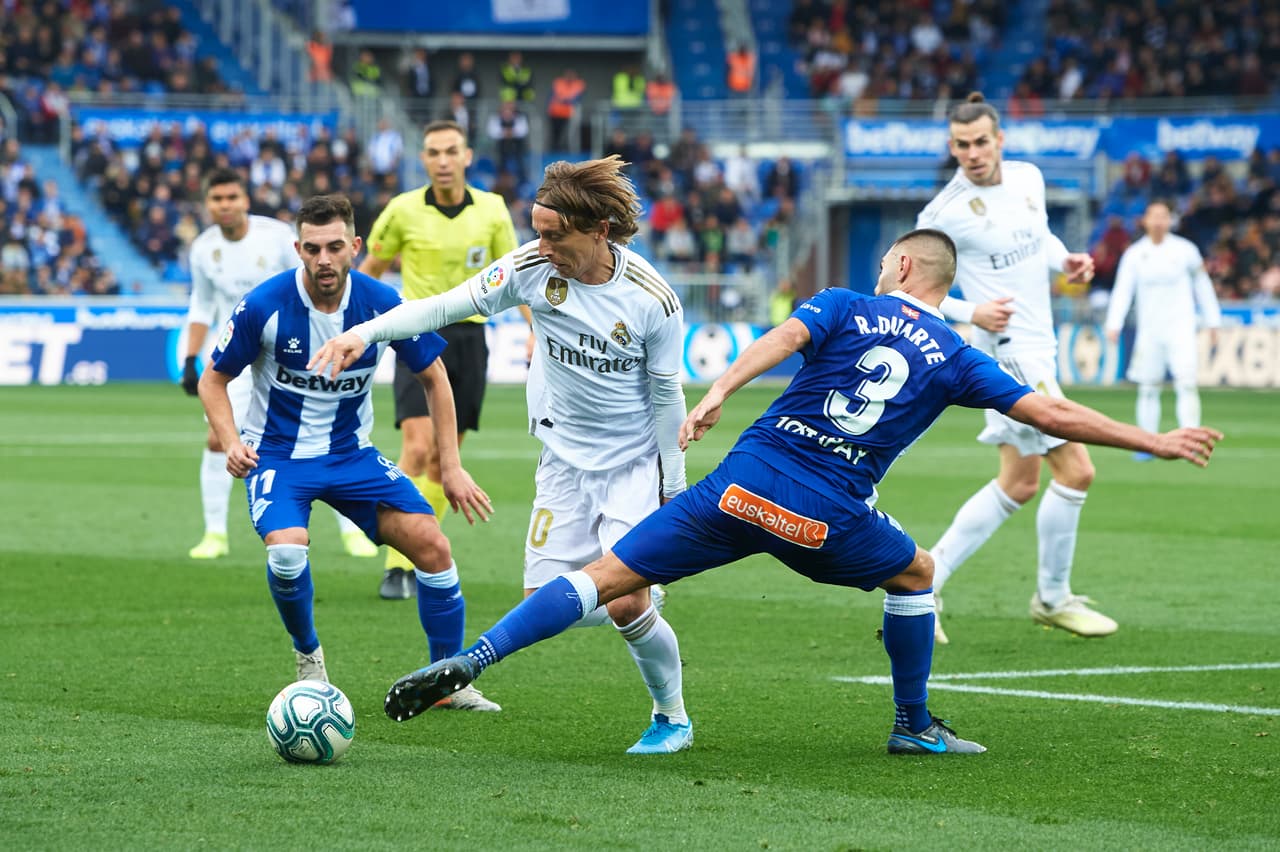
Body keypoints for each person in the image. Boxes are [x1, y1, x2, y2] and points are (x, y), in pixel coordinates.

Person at [367, 229, 1219, 756]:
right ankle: (914, 724)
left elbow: (777, 340)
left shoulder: (845, 303)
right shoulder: (959, 356)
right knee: (917, 573)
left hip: (739, 484)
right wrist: (1155, 440)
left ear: (901, 265)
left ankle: (476, 658)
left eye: (884, 260)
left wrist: (716, 391)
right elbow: (1050, 412)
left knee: (605, 576)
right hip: (823, 516)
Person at [310, 155, 694, 754]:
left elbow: (668, 399)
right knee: (543, 604)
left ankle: (671, 717)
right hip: (562, 461)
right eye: (537, 231)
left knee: (627, 605)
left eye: (555, 235)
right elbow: (442, 306)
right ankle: (627, 588)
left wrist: (675, 488)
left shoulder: (652, 300)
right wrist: (365, 332)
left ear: (600, 230)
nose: (542, 246)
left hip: (633, 465)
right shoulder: (530, 268)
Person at [197, 194, 496, 707]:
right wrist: (230, 442)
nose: (324, 259)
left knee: (433, 547)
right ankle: (309, 658)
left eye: (335, 247)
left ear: (355, 247)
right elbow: (213, 379)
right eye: (312, 249)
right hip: (280, 457)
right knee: (287, 552)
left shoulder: (381, 303)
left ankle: (447, 683)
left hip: (352, 456)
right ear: (298, 249)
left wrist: (451, 466)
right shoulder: (264, 305)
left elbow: (434, 376)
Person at [916, 92, 1110, 644]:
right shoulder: (943, 214)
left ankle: (925, 585)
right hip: (1009, 353)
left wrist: (1066, 260)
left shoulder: (1028, 177)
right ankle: (1052, 598)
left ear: (999, 140)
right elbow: (905, 285)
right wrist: (970, 311)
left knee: (1019, 482)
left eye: (981, 142)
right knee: (1077, 471)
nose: (972, 153)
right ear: (952, 146)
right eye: (962, 145)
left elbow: (1039, 237)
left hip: (1039, 343)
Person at [358, 120, 521, 600]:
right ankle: (396, 567)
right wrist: (351, 328)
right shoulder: (401, 210)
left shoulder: (492, 210)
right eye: (434, 152)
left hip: (471, 339)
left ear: (467, 156)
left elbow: (517, 277)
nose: (443, 161)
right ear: (423, 159)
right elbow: (370, 269)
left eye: (452, 151)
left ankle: (418, 555)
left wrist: (536, 331)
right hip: (416, 332)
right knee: (416, 446)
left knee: (443, 458)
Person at [181, 168, 377, 560]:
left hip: (293, 348)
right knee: (217, 438)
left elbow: (316, 278)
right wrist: (190, 357)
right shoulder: (203, 249)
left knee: (333, 432)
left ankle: (351, 530)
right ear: (207, 204)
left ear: (245, 200)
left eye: (232, 197)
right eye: (217, 199)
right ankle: (215, 533)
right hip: (240, 353)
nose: (225, 205)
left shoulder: (275, 236)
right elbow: (201, 305)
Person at [1104, 199, 1222, 457]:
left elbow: (1203, 286)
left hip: (1181, 329)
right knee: (1148, 387)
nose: (1158, 221)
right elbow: (1123, 290)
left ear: (1170, 220)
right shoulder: (1135, 254)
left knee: (1186, 383)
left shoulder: (1186, 251)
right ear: (1145, 221)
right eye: (1154, 216)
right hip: (1149, 331)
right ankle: (1146, 445)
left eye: (1163, 216)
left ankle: (1190, 440)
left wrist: (1213, 321)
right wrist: (1114, 323)